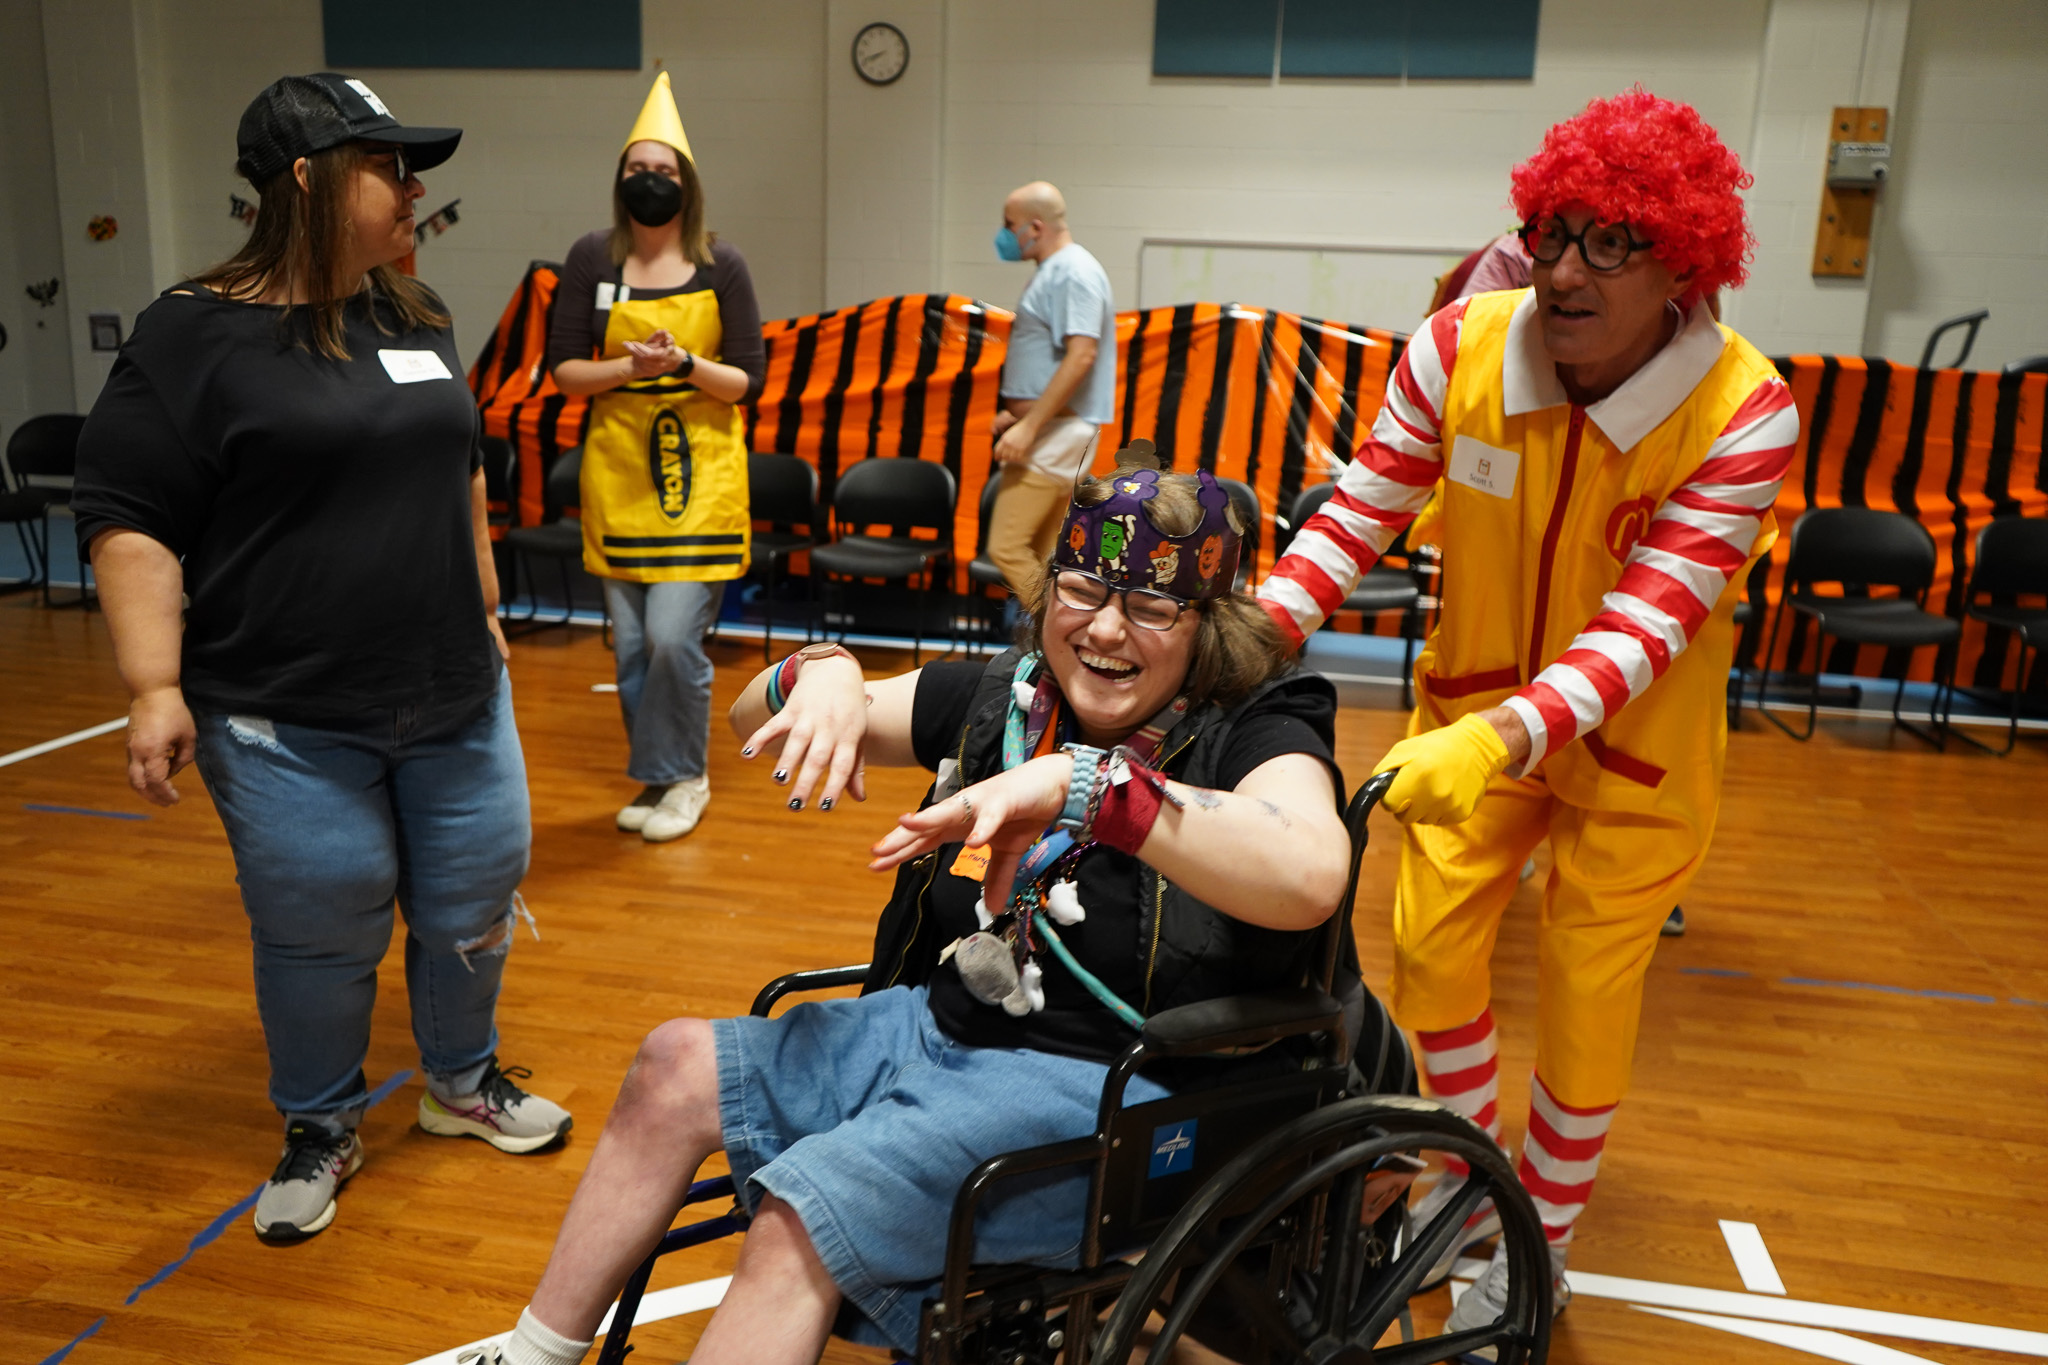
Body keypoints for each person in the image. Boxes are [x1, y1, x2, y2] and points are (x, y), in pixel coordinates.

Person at [459, 446, 1354, 1365]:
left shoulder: (1260, 721)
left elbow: (1309, 870)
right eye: (1081, 591)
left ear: (1207, 624)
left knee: (801, 1213)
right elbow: (746, 717)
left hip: (1120, 1091)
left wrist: (1087, 785)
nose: (1105, 631)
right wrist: (827, 671)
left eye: (1152, 607)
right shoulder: (1011, 695)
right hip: (943, 1031)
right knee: (673, 1062)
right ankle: (533, 1352)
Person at [1256, 88, 1798, 1338]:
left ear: (1682, 264)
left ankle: (1536, 1234)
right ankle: (1457, 1176)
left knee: (1587, 986)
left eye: (1608, 241)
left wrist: (1495, 738)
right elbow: (1352, 517)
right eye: (1551, 231)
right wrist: (1247, 634)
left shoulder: (1743, 413)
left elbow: (1644, 627)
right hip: (1471, 716)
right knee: (1430, 946)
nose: (1562, 268)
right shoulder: (1456, 349)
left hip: (1629, 756)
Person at [71, 72, 571, 1244]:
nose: (415, 187)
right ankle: (320, 1123)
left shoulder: (416, 313)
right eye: (387, 166)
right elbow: (127, 513)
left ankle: (460, 1082)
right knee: (321, 923)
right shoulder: (192, 332)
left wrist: (489, 609)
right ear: (304, 181)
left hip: (454, 691)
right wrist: (151, 686)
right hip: (284, 713)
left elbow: (459, 473)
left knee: (471, 897)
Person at [548, 72, 766, 842]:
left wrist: (681, 367)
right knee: (636, 648)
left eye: (664, 171)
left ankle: (688, 776)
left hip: (700, 475)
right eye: (638, 170)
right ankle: (659, 773)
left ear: (688, 184)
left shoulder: (721, 264)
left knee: (676, 638)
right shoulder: (590, 259)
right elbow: (564, 370)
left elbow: (746, 380)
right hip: (620, 474)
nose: (650, 182)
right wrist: (628, 372)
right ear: (620, 181)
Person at [987, 181, 1116, 614]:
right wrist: (1019, 411)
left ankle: (1060, 634)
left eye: (1010, 225)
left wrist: (1029, 423)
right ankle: (1061, 648)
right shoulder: (1057, 271)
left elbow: (1082, 355)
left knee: (1006, 546)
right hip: (1054, 429)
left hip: (1055, 436)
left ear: (1035, 227)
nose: (1004, 234)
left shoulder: (1072, 272)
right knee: (1048, 556)